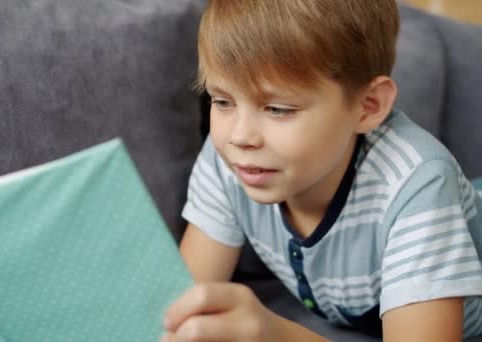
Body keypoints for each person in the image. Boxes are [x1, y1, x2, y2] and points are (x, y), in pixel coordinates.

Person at [160, 0, 482, 341]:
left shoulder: (418, 185)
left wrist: (278, 335)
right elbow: (177, 312)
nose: (239, 136)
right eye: (222, 101)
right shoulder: (231, 159)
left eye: (278, 109)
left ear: (367, 106)